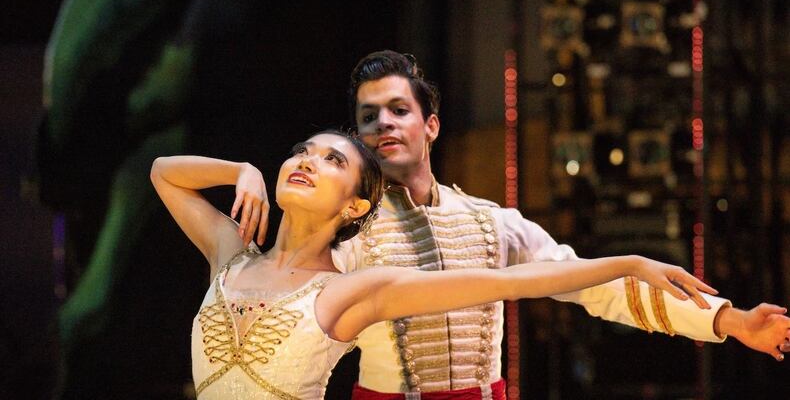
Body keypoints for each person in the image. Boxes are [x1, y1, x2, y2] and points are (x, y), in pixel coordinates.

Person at [329, 50, 790, 398]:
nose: (383, 124)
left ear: (430, 126)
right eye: (369, 117)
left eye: (398, 110)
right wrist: (250, 173)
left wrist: (729, 320)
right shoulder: (347, 231)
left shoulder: (491, 222)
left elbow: (598, 285)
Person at [151, 130, 716, 399]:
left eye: (331, 160)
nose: (306, 162)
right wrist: (239, 165)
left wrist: (630, 261)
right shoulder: (231, 256)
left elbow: (511, 280)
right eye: (300, 150)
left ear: (355, 204)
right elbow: (162, 172)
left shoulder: (347, 291)